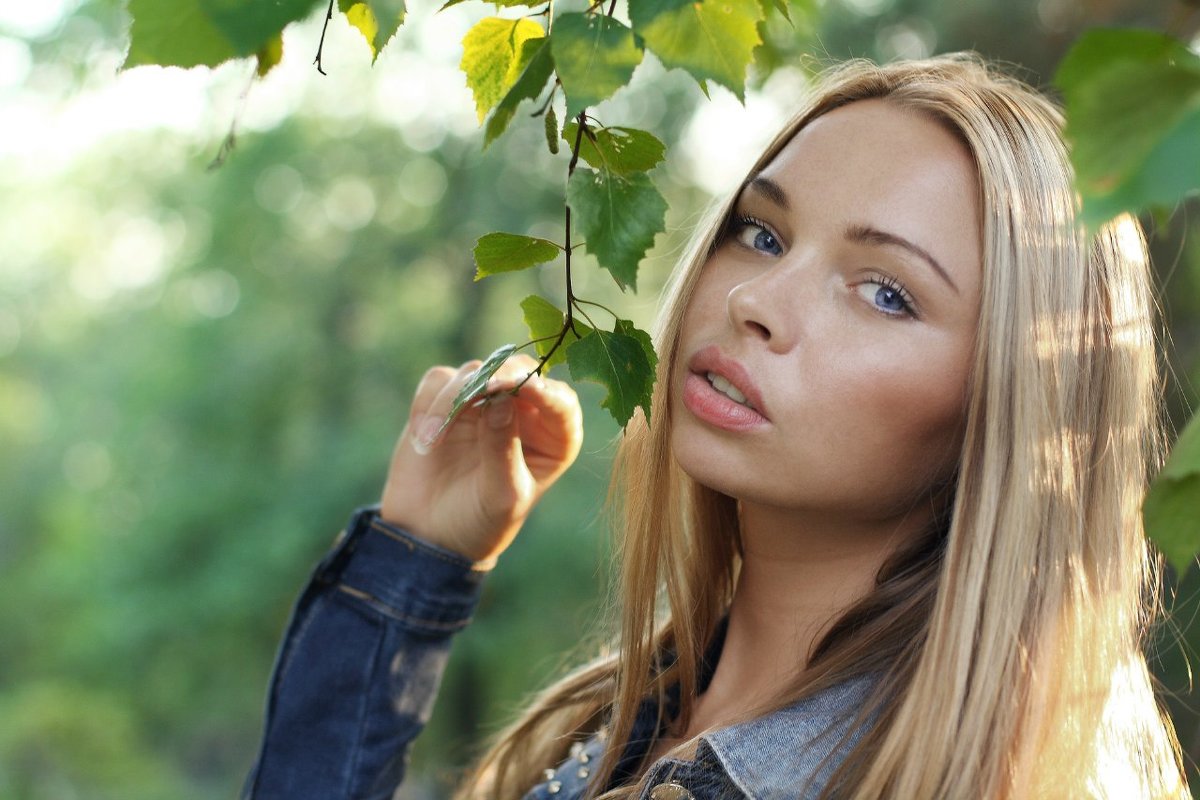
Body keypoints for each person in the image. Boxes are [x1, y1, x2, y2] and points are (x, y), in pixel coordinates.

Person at [242, 54, 1190, 799]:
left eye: (886, 293)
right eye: (763, 233)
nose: (756, 300)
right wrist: (415, 562)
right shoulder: (614, 722)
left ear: (1010, 410)